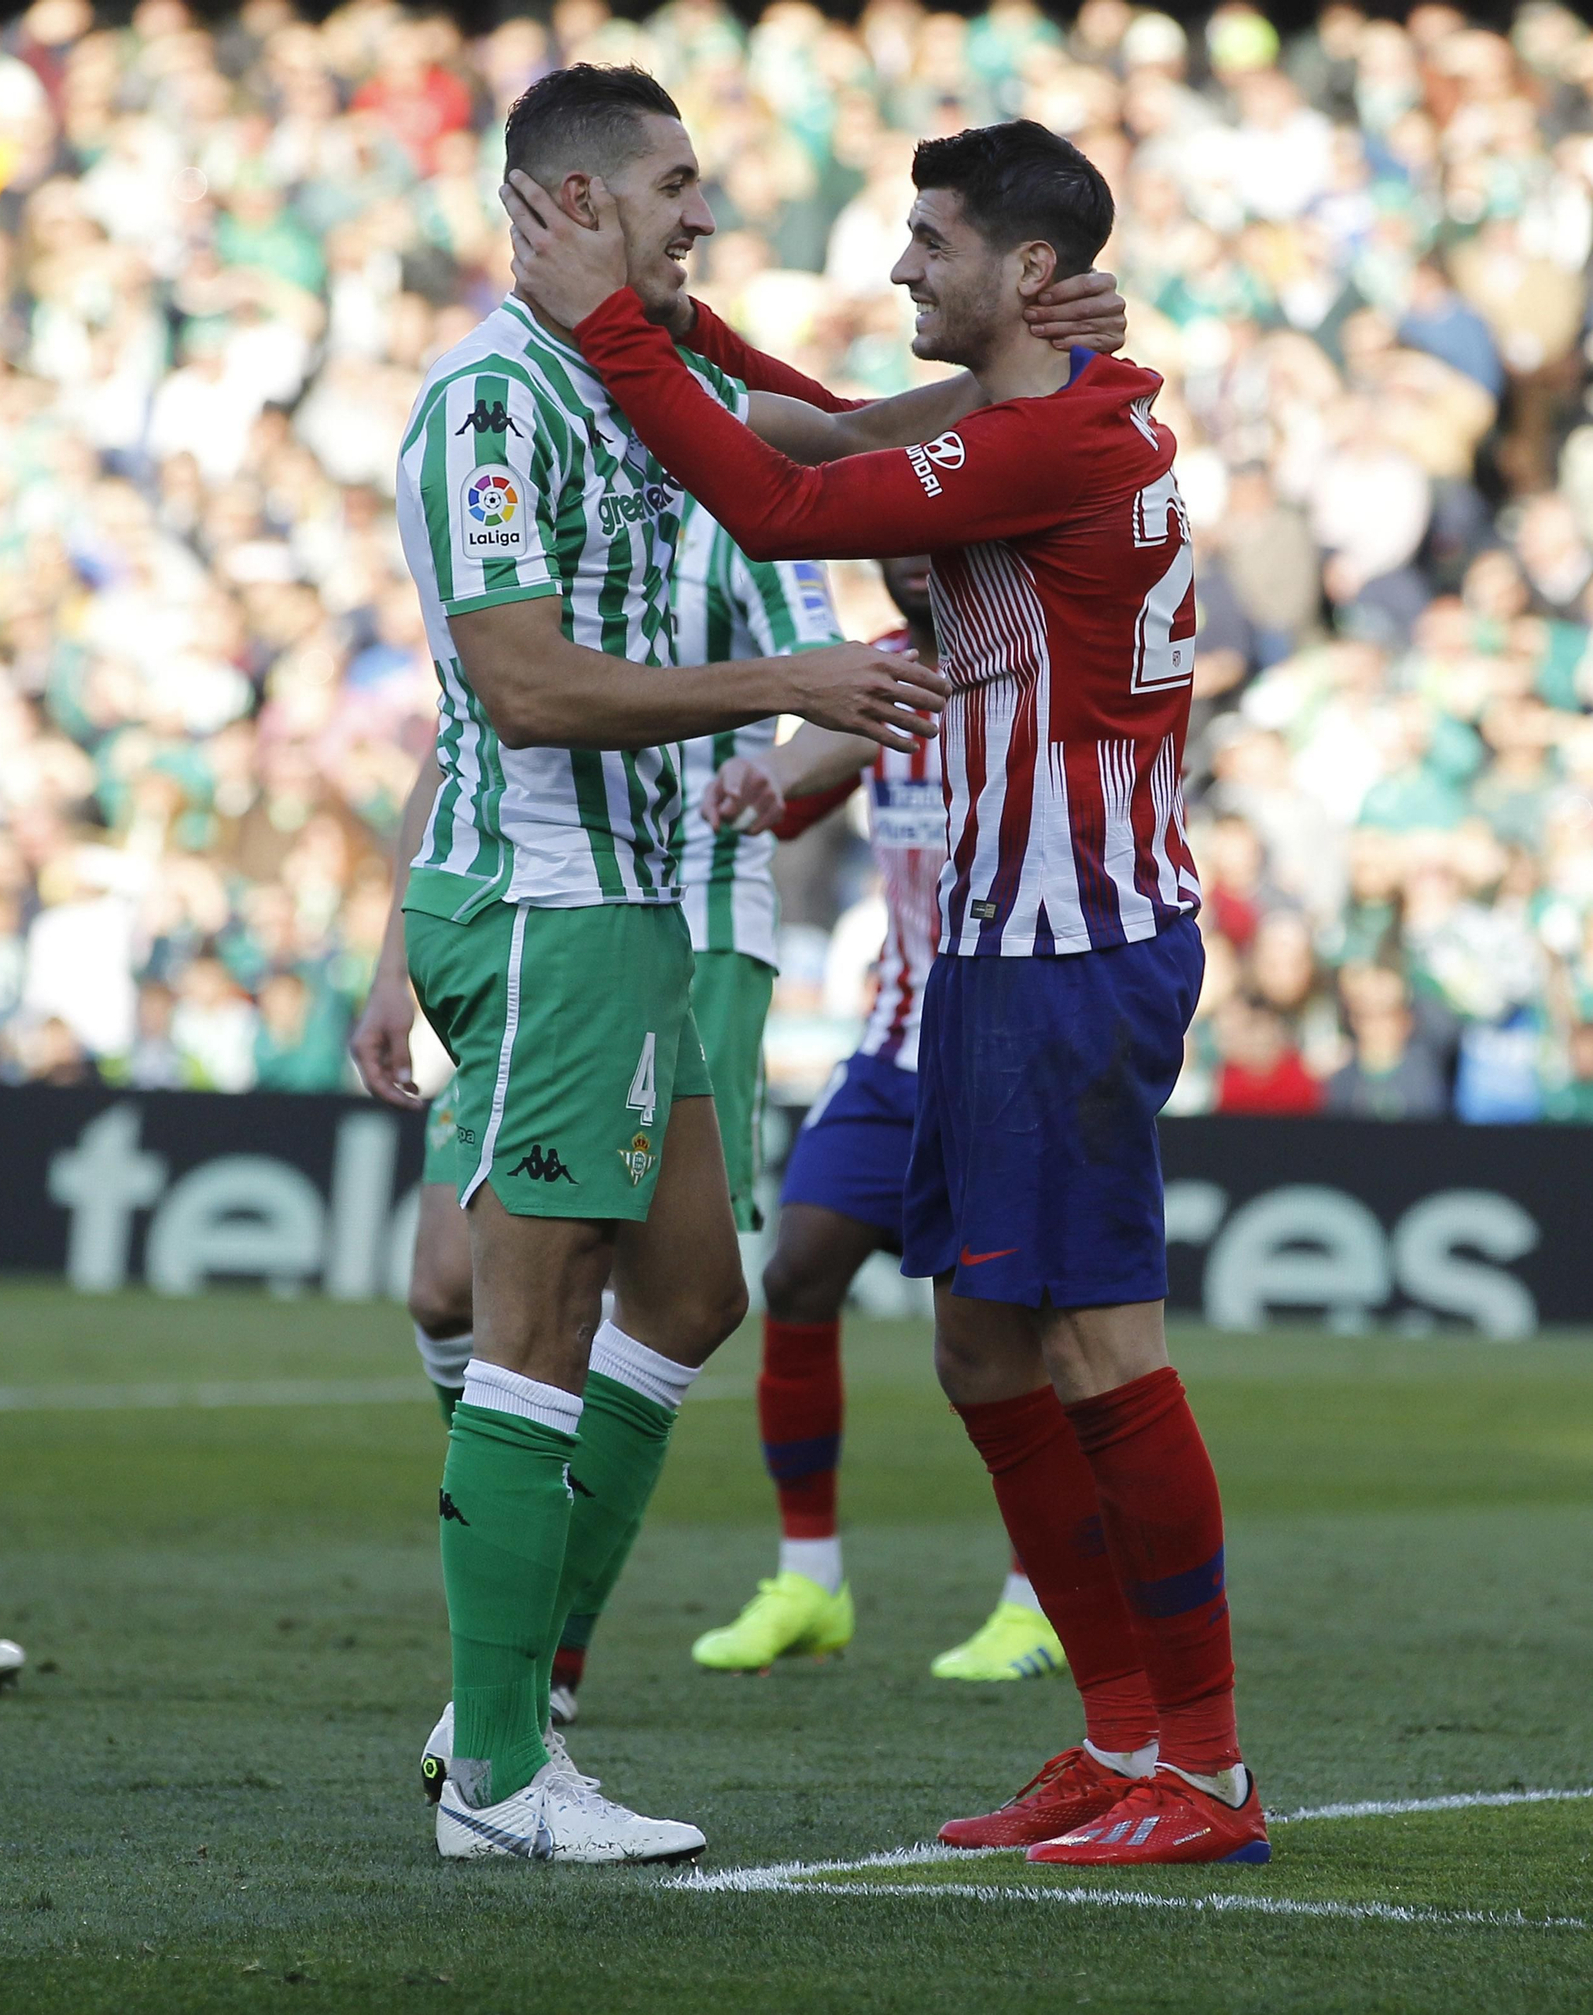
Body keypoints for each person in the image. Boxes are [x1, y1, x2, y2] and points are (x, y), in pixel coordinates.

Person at [505, 114, 1266, 1865]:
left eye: (928, 242)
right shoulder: (1034, 420)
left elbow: (784, 491)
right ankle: (1119, 1734)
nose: (899, 267)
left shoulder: (1056, 440)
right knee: (984, 1346)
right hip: (998, 954)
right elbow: (833, 429)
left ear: (1024, 274)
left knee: (1091, 1342)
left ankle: (1207, 1774)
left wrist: (620, 330)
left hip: (1073, 951)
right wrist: (670, 323)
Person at [388, 62, 952, 1867]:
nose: (704, 215)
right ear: (568, 204)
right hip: (549, 908)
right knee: (513, 1316)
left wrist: (1041, 369)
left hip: (629, 910)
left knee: (693, 1291)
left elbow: (847, 440)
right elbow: (524, 686)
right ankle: (497, 1773)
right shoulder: (489, 402)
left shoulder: (648, 376)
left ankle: (517, 1695)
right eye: (674, 186)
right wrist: (784, 684)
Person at [352, 495, 853, 1731]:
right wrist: (389, 959)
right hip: (530, 917)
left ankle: (534, 1669)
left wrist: (775, 769)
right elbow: (465, 736)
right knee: (444, 1287)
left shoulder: (735, 505)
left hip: (695, 920)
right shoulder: (534, 486)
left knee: (656, 1293)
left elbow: (850, 690)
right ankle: (511, 1627)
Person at [689, 553, 1063, 1686]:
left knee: (1007, 1333)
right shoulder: (878, 673)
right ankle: (811, 1579)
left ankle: (1034, 1595)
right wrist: (766, 779)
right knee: (798, 1271)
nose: (905, 560)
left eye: (925, 539)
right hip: (891, 1043)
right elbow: (796, 804)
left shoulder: (1036, 662)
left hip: (1010, 1051)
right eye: (889, 543)